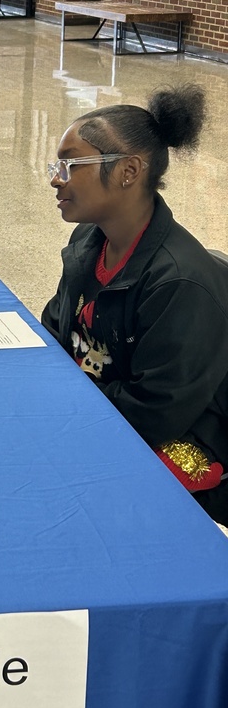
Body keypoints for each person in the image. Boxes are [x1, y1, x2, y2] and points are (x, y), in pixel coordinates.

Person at [41, 83, 228, 524]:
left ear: (128, 171)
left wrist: (67, 408)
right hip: (105, 405)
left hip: (188, 437)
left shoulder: (179, 283)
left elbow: (155, 414)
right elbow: (55, 329)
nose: (56, 177)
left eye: (71, 164)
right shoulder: (89, 239)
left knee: (85, 487)